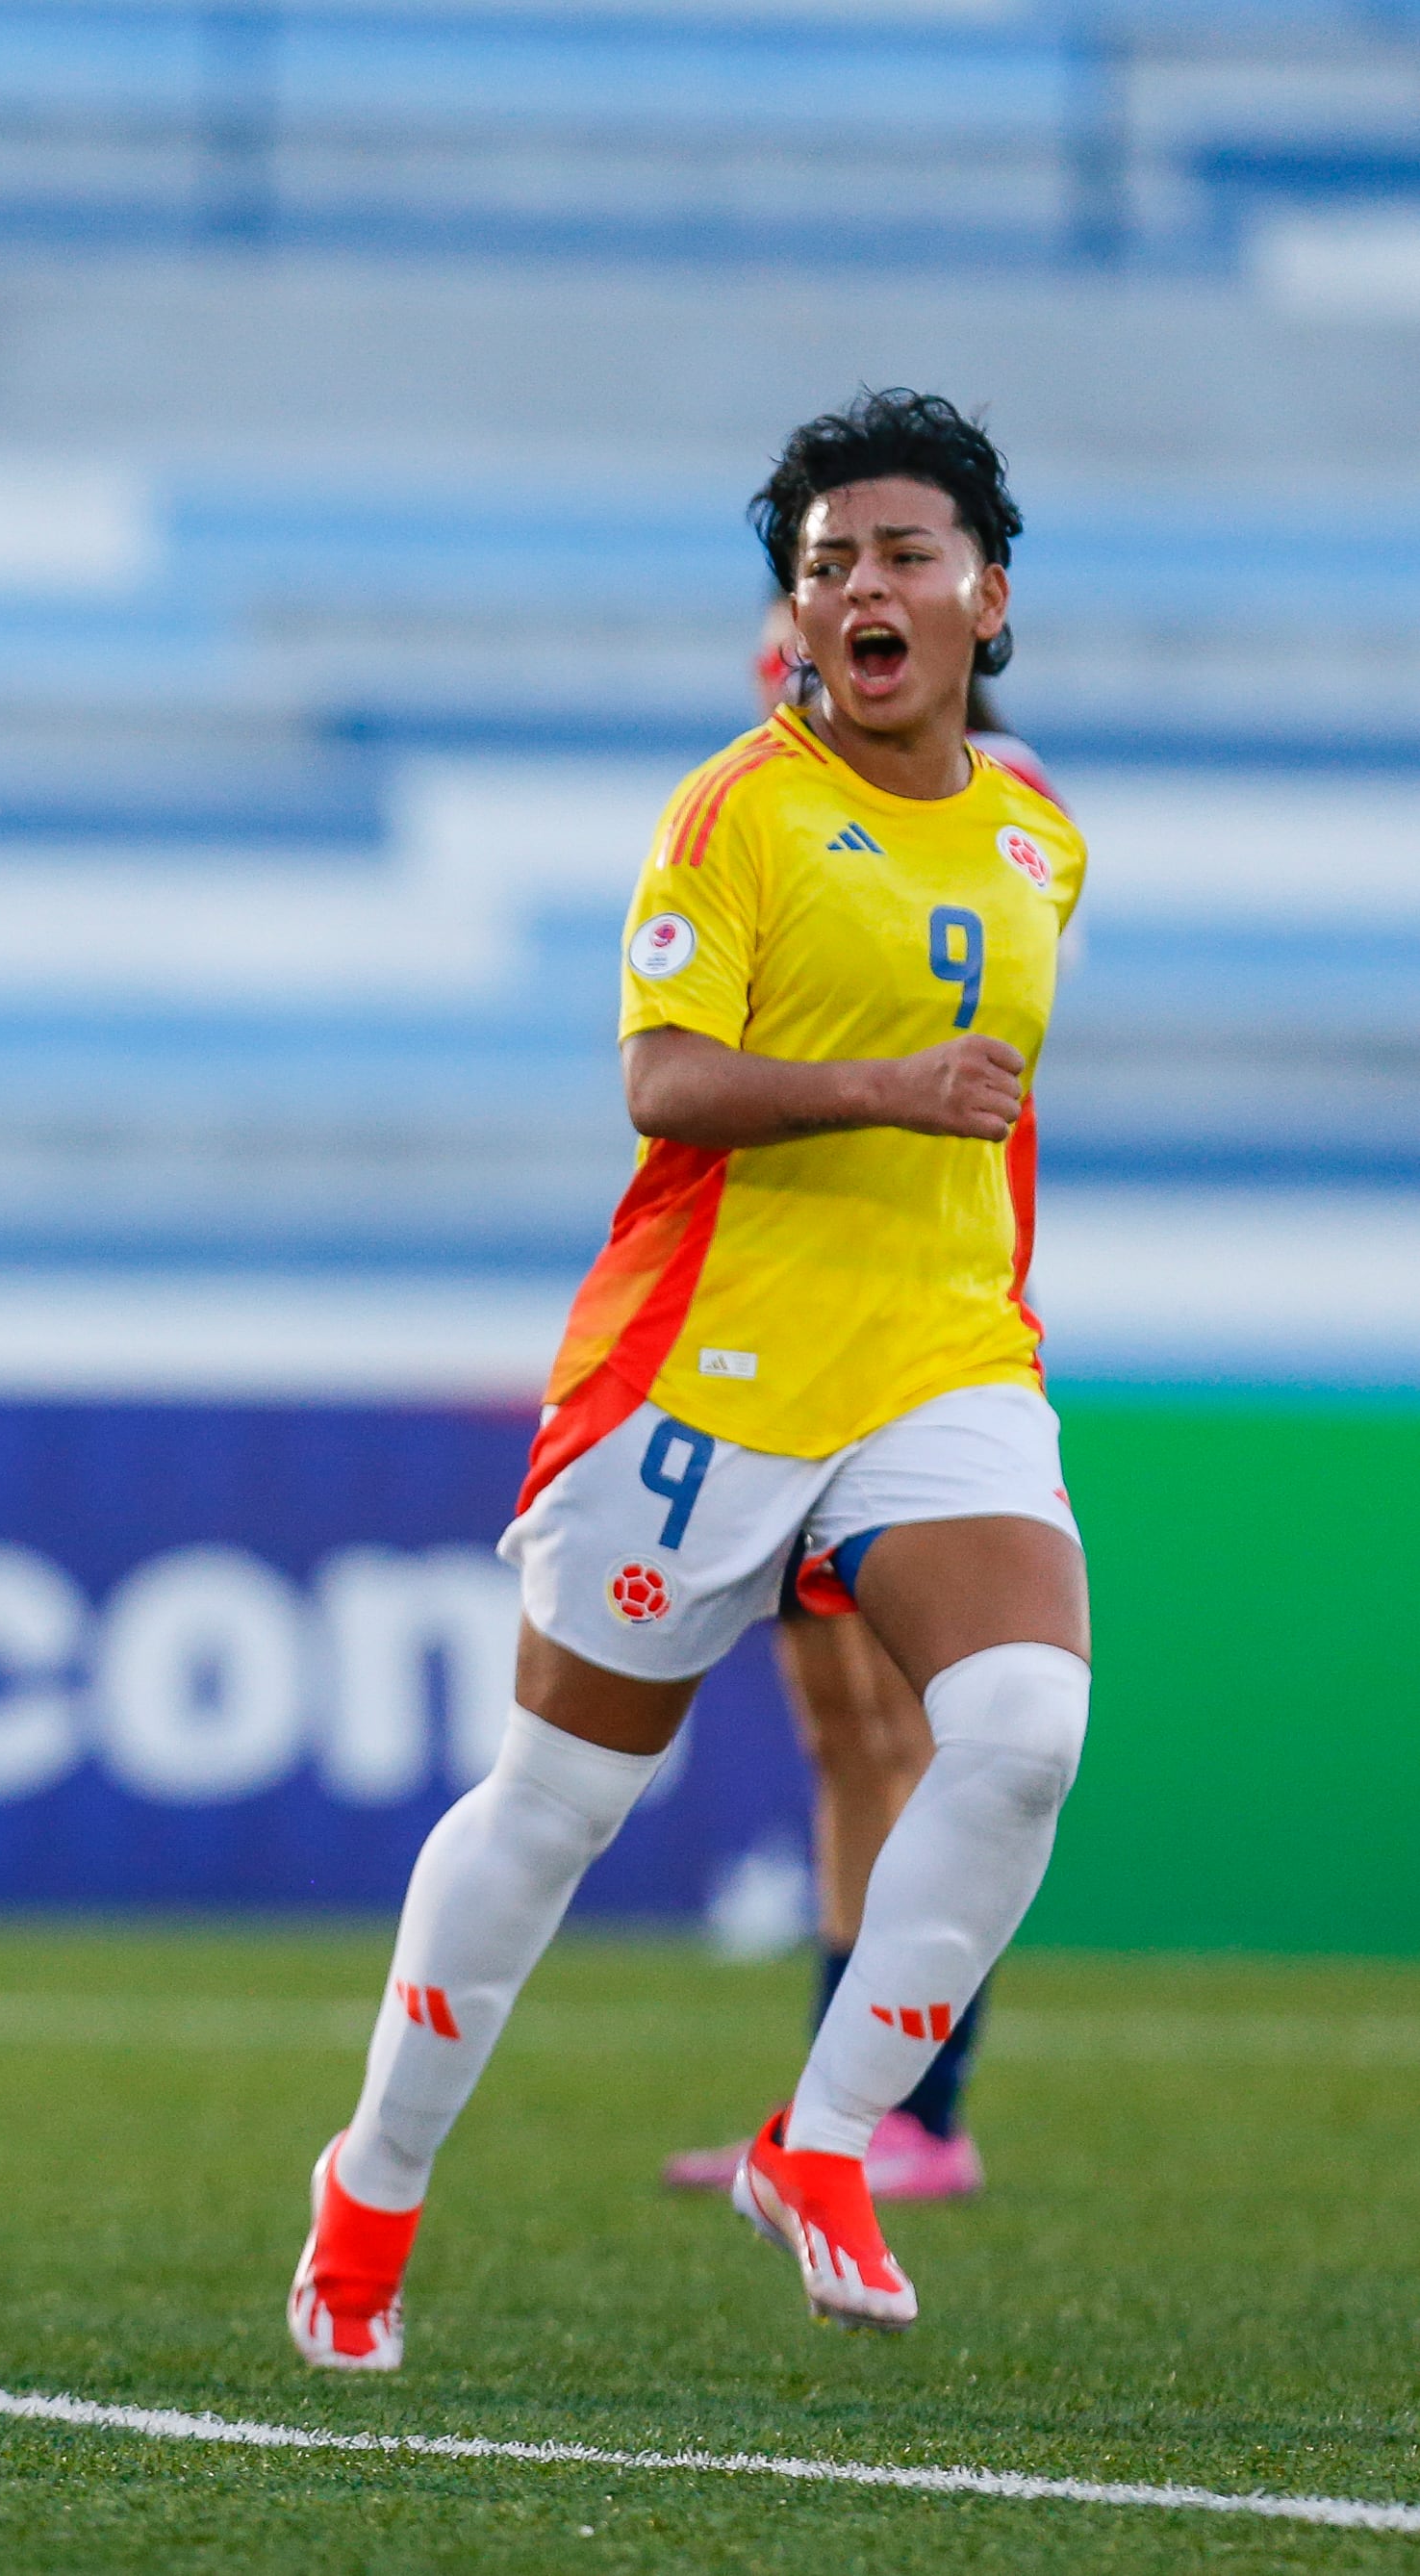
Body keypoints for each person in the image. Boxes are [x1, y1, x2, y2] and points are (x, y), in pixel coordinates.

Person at [285, 390, 1091, 2367]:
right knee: (561, 1803)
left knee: (1023, 1730)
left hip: (940, 1362)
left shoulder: (1039, 837)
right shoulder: (734, 812)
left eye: (900, 556)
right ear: (796, 618)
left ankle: (826, 2139)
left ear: (987, 595)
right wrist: (884, 1089)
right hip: (704, 1375)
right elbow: (664, 1082)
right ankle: (373, 2183)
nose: (861, 589)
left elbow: (1000, 1128)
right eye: (826, 567)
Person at [649, 611, 1067, 2206]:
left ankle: (913, 2104)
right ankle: (846, 2101)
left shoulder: (1000, 807)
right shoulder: (763, 805)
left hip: (914, 1335)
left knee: (920, 1725)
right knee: (841, 1729)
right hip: (774, 1330)